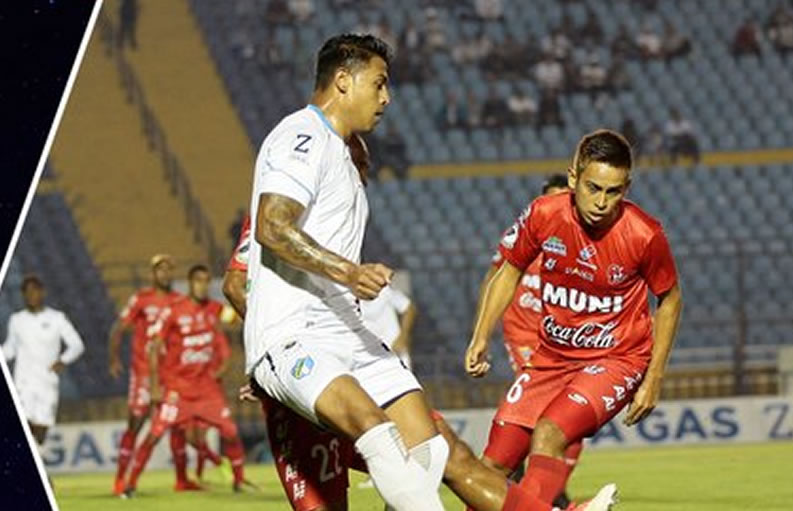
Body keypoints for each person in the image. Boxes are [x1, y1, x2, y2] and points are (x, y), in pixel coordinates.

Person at [235, 33, 616, 509]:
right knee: (376, 432)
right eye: (379, 84)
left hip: (346, 331)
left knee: (437, 451)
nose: (386, 98)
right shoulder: (302, 136)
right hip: (295, 335)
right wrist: (349, 273)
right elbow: (272, 226)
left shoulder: (346, 153)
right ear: (343, 81)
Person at [466, 129, 683, 511]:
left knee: (549, 434)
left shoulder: (644, 234)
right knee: (493, 463)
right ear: (573, 178)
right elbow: (509, 270)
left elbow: (670, 299)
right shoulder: (543, 214)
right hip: (551, 358)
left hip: (616, 360)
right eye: (593, 188)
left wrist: (653, 378)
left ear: (627, 188)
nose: (601, 202)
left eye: (613, 192)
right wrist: (481, 335)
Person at [475, 175, 582, 509]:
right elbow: (496, 277)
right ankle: (539, 489)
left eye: (565, 197)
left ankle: (537, 482)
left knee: (567, 416)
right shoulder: (526, 233)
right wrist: (482, 330)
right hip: (523, 333)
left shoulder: (581, 242)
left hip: (559, 339)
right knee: (548, 409)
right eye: (553, 198)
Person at [123, 265, 249, 496]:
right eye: (198, 281)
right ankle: (129, 485)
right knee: (154, 435)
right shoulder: (173, 310)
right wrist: (154, 386)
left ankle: (239, 481)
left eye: (206, 281)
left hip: (207, 391)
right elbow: (154, 348)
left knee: (231, 432)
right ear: (190, 283)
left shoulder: (213, 309)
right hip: (178, 391)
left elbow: (238, 316)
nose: (202, 286)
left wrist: (247, 306)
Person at [109, 255, 191, 494]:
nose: (165, 274)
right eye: (160, 269)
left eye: (169, 269)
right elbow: (118, 328)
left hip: (172, 375)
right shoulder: (141, 299)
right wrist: (114, 359)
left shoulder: (179, 301)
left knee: (177, 426)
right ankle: (120, 479)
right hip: (144, 373)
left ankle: (182, 480)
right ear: (152, 274)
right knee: (135, 423)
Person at [2, 275, 85, 447]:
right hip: (23, 381)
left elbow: (77, 345)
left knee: (41, 432)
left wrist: (63, 360)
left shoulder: (57, 318)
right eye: (26, 292)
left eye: (34, 291)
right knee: (24, 422)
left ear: (42, 292)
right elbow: (10, 348)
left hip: (47, 381)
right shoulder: (17, 320)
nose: (30, 295)